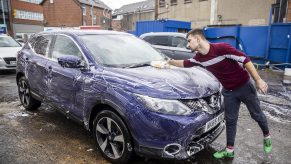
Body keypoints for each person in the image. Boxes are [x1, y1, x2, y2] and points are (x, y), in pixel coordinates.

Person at [151, 28, 272, 159]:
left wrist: (258, 80)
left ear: (198, 39)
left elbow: (245, 59)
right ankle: (229, 149)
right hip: (229, 91)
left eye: (189, 41)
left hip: (244, 86)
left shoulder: (221, 48)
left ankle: (267, 136)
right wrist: (169, 61)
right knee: (231, 120)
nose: (187, 45)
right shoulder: (200, 58)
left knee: (256, 115)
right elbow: (185, 63)